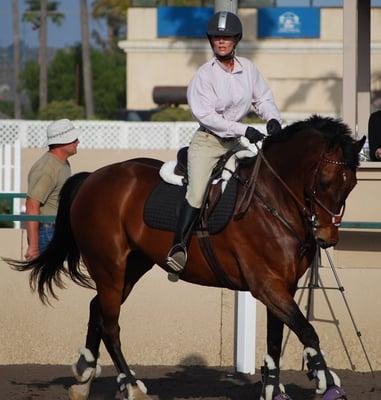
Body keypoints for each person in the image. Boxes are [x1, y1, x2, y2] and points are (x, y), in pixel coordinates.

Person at [166, 11, 282, 277]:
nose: (221, 42)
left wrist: (273, 118)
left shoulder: (248, 69)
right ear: (211, 42)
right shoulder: (204, 75)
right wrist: (245, 128)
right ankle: (178, 247)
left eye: (226, 38)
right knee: (196, 192)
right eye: (217, 38)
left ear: (235, 40)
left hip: (235, 143)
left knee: (260, 176)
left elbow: (262, 98)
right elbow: (207, 116)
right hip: (208, 142)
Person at [24, 119, 80, 260]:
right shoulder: (47, 167)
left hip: (58, 230)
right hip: (49, 233)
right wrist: (34, 246)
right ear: (61, 141)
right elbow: (32, 205)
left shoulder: (62, 163)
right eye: (73, 139)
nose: (78, 142)